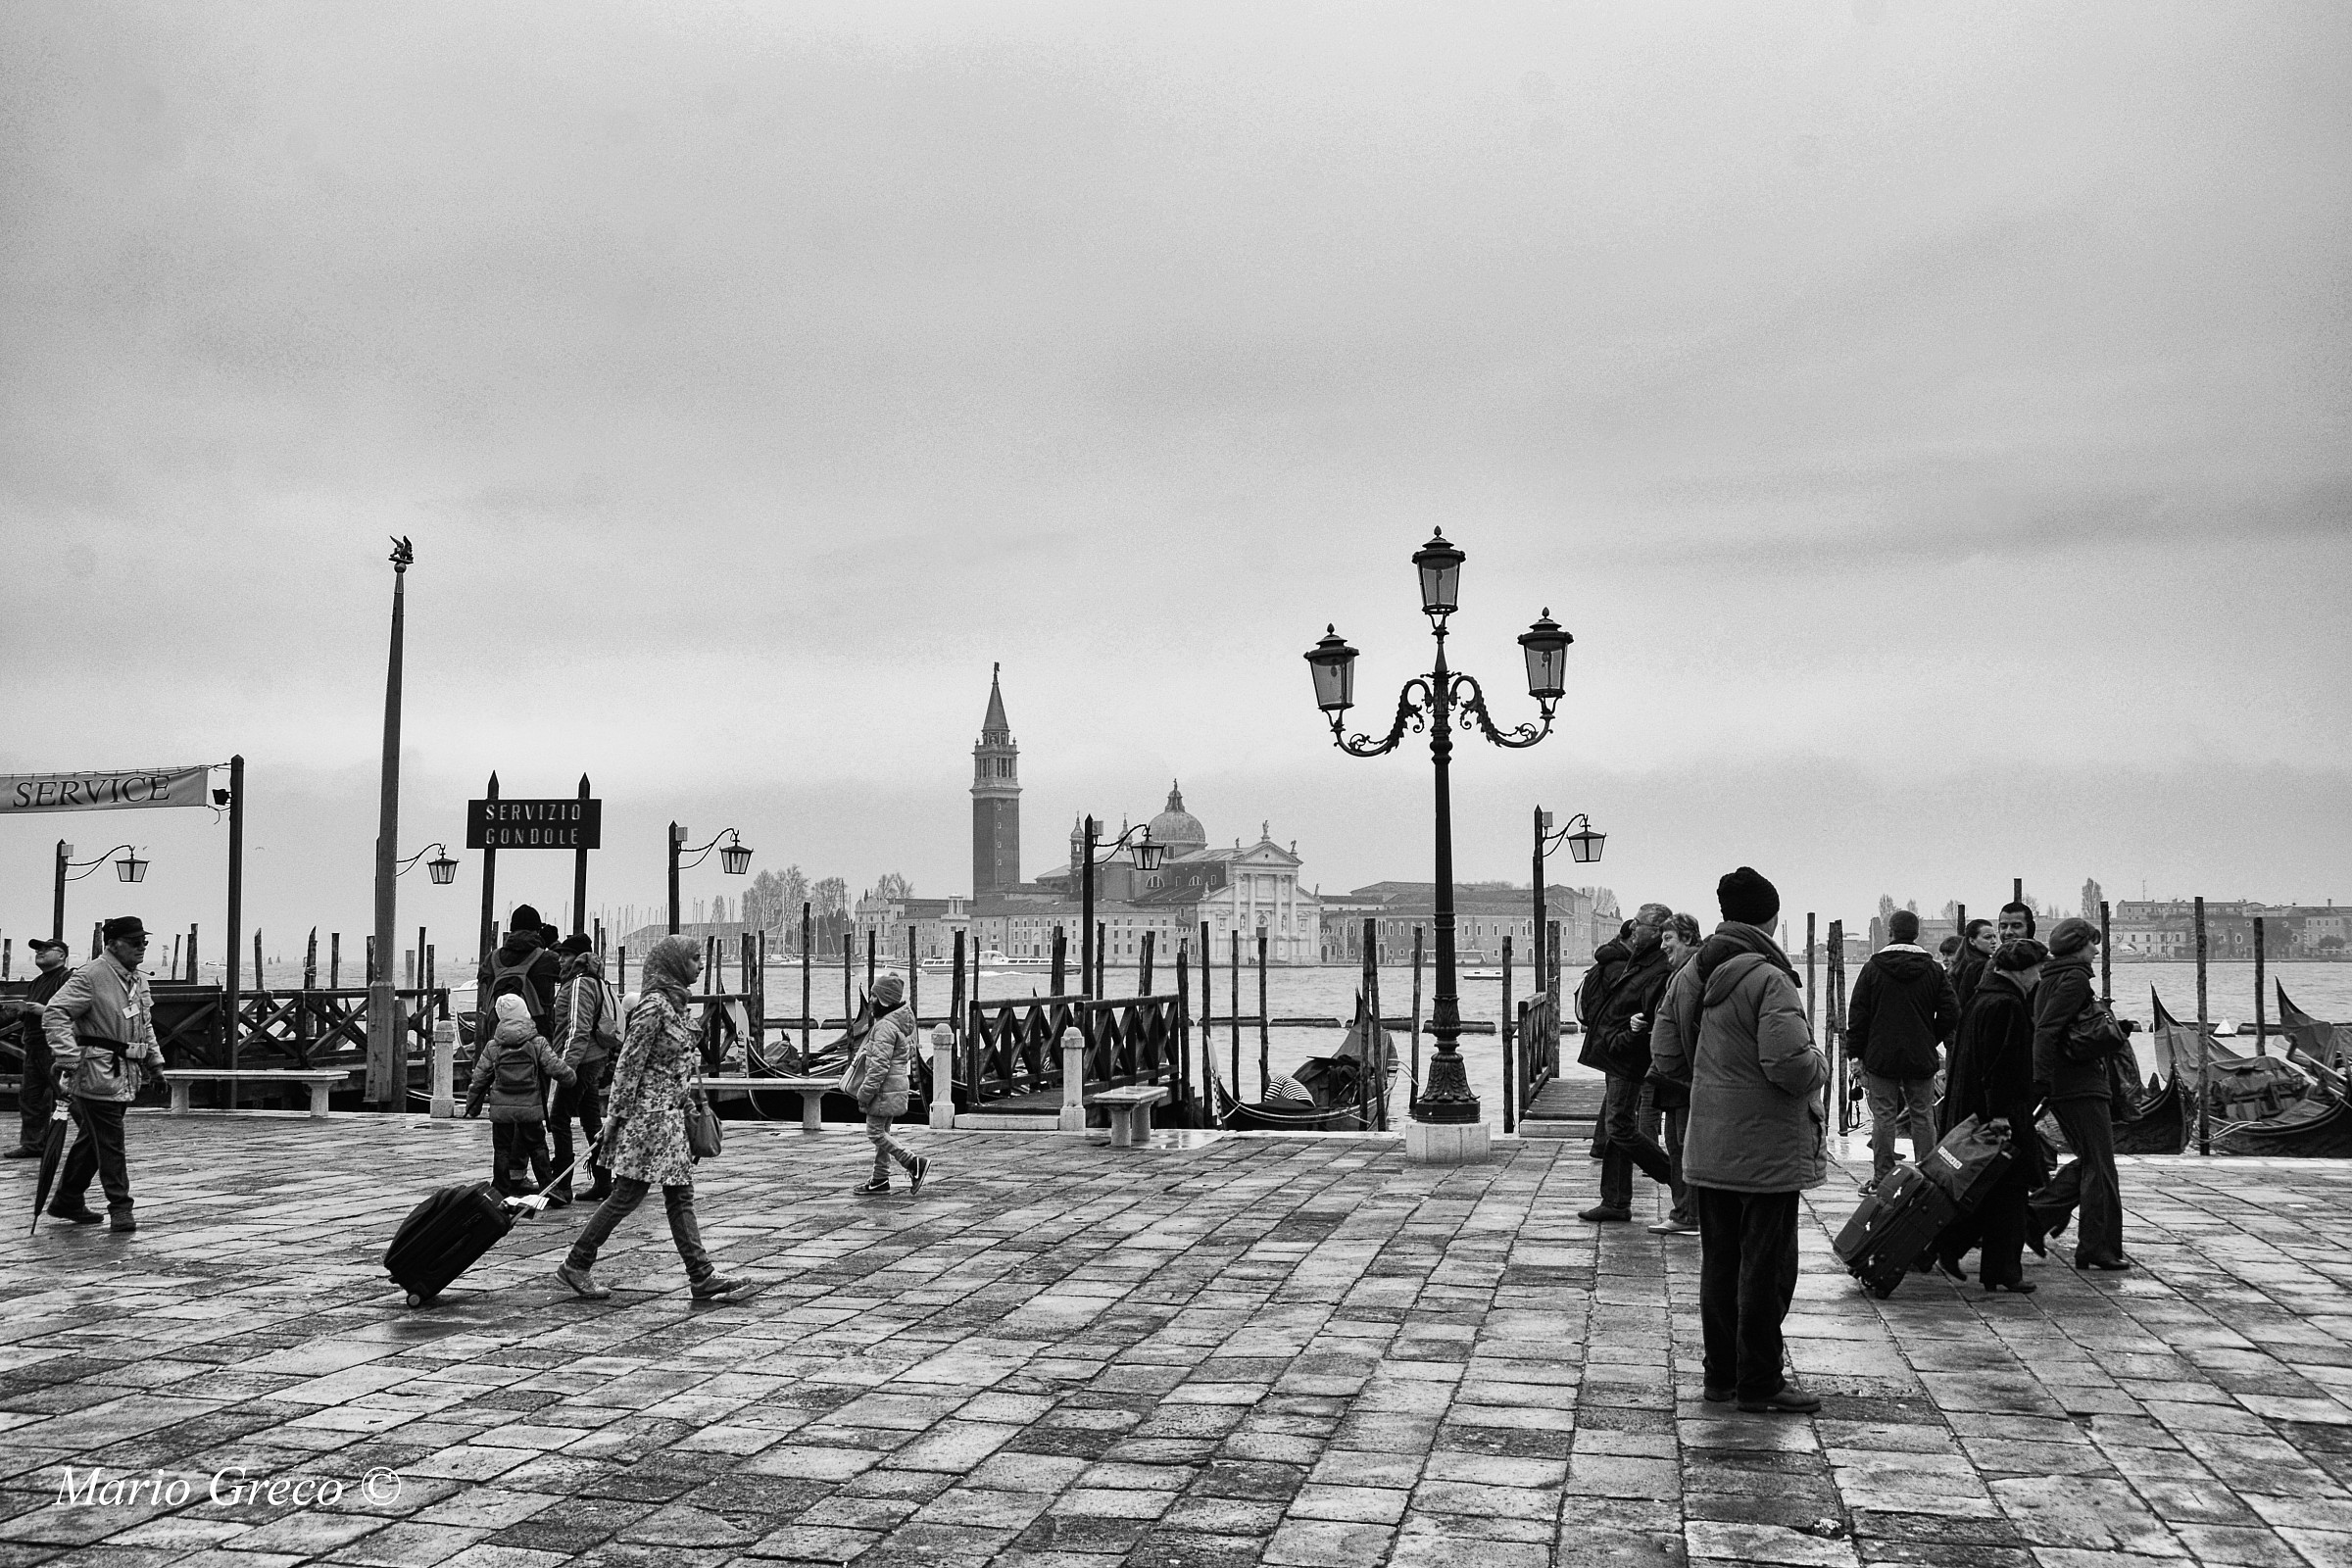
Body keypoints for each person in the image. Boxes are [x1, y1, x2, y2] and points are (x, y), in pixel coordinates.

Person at [1650, 867, 1827, 1415]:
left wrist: (1712, 1090)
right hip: (1768, 1150)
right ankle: (1760, 1381)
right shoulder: (1771, 979)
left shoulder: (1687, 975)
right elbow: (1789, 1064)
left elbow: (1665, 1056)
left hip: (1708, 1142)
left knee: (1720, 1262)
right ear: (1772, 917)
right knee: (1766, 1267)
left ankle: (1720, 1376)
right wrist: (1820, 1063)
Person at [557, 935, 746, 1300]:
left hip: (669, 1119)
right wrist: (615, 1117)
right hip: (648, 1121)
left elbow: (675, 1067)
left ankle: (701, 1274)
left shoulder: (676, 1005)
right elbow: (628, 1064)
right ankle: (577, 1263)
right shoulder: (653, 1008)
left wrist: (686, 1106)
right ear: (674, 964)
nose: (700, 966)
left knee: (677, 1197)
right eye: (694, 959)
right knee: (628, 1196)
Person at [39, 916, 168, 1232]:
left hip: (126, 1072)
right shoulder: (91, 976)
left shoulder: (137, 979)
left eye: (144, 943)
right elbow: (56, 1013)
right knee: (110, 1142)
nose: (141, 948)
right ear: (112, 944)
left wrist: (156, 1063)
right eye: (135, 942)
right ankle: (121, 1208)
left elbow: (145, 1024)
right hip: (97, 1072)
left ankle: (67, 1200)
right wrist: (68, 1058)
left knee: (92, 1140)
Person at [1940, 939, 2049, 1293]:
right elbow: (2001, 1065)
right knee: (2011, 1190)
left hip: (1975, 1107)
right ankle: (2002, 1269)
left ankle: (1959, 1251)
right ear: (2019, 970)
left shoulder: (1982, 997)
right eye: (2035, 969)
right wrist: (2001, 1116)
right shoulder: (2007, 1004)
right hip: (2001, 1112)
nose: (2039, 976)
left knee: (1989, 1189)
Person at [2028, 917, 2131, 1270]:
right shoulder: (2072, 979)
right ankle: (2096, 1246)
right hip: (2079, 1084)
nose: (2096, 950)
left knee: (2093, 1162)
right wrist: (2042, 1079)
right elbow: (2048, 1029)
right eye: (2091, 944)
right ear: (2076, 945)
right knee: (2100, 1167)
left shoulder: (2051, 977)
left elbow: (2065, 1027)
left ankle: (2035, 1219)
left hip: (2070, 1083)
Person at [1577, 903, 1678, 1223]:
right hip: (1616, 1051)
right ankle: (1615, 1201)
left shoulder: (1660, 966)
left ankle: (1675, 1177)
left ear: (1659, 929)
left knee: (1618, 1124)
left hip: (1628, 1055)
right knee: (1619, 1124)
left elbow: (1649, 1017)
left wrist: (1618, 1040)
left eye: (1640, 924)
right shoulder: (1642, 957)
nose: (1633, 928)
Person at [1847, 909, 1960, 1194]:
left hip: (1880, 1055)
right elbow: (1951, 1012)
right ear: (1917, 934)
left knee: (1883, 1116)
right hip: (1920, 1055)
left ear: (1890, 933)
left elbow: (1858, 1015)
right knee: (1922, 1114)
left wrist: (1856, 1055)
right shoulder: (1933, 969)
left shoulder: (1873, 968)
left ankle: (1882, 1178)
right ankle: (1927, 1178)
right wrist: (1927, 1038)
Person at [466, 993, 576, 1200]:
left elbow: (479, 1079)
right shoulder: (537, 1042)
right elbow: (555, 1067)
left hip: (502, 1110)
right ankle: (547, 1186)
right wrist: (571, 1078)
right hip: (530, 1107)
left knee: (501, 1149)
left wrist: (472, 1107)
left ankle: (500, 1188)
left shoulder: (493, 1046)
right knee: (537, 1146)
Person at [547, 935, 618, 1203]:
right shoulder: (595, 980)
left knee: (559, 1118)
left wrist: (565, 1068)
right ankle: (603, 1180)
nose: (560, 959)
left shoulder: (579, 983)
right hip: (595, 1057)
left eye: (565, 955)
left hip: (583, 1060)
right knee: (590, 1118)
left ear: (577, 957)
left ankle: (561, 1185)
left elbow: (578, 1028)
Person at [1644, 913, 1703, 1236]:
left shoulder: (1692, 975)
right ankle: (1685, 1211)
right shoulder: (1682, 973)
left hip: (1684, 1078)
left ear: (1689, 939)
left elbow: (1692, 1027)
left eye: (1670, 939)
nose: (1664, 945)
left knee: (1684, 1145)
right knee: (1676, 1143)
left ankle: (1688, 1215)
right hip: (1675, 1077)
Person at [855, 973, 932, 1196]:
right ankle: (880, 1179)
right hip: (896, 1087)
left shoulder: (884, 1028)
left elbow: (878, 1068)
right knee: (883, 1132)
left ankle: (913, 1162)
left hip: (883, 1090)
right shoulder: (902, 1023)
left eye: (874, 996)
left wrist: (864, 1093)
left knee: (875, 1133)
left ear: (884, 1000)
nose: (870, 1000)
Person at [5, 937, 74, 1158]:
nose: (40, 952)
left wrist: (42, 1010)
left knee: (68, 1094)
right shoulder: (36, 982)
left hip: (54, 1045)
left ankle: (94, 1140)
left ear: (62, 955)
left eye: (46, 949)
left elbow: (74, 1011)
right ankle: (33, 1144)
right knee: (30, 1097)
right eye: (38, 950)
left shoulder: (68, 979)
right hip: (34, 1043)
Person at [475, 905, 562, 1033]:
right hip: (537, 1034)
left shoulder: (492, 959)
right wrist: (553, 943)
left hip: (498, 1033)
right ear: (537, 930)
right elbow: (574, 969)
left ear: (511, 930)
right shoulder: (547, 958)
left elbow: (482, 981)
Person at [1949, 919, 1997, 1013]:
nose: (1994, 941)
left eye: (1994, 937)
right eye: (1987, 937)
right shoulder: (1982, 967)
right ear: (1972, 941)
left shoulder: (1959, 965)